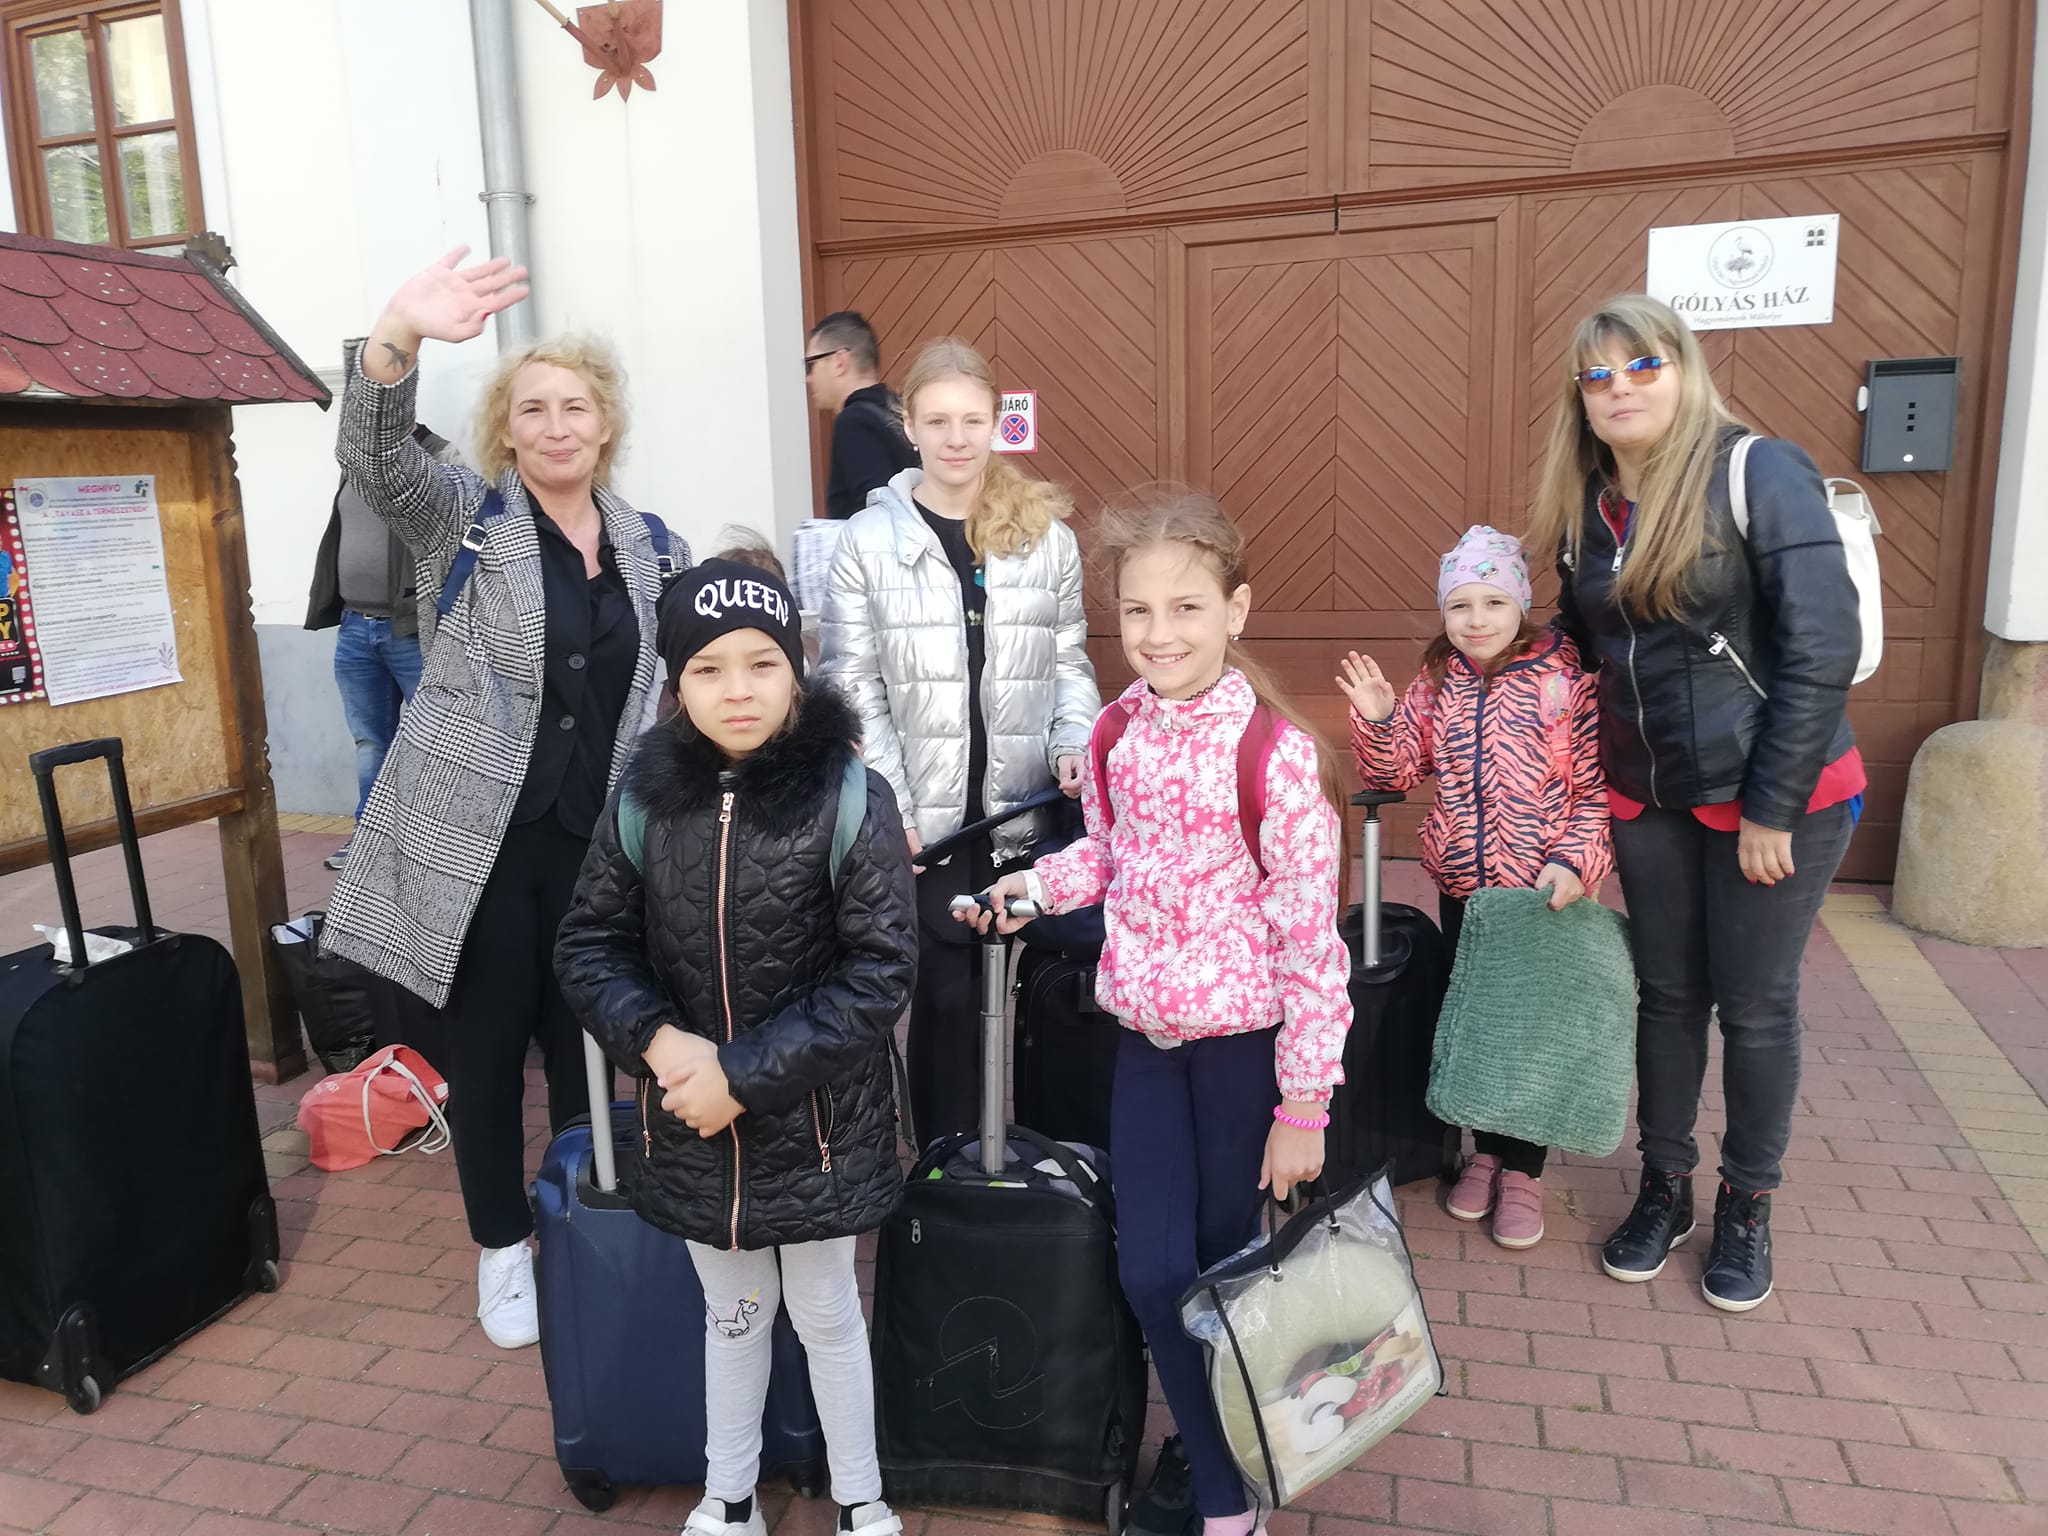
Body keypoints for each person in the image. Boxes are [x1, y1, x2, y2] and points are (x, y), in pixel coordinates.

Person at [321, 248, 687, 1350]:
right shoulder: (464, 522)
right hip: (474, 849)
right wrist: (398, 331)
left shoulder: (654, 548)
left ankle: (573, 1212)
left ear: (605, 425)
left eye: (575, 407)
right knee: (484, 1058)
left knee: (585, 1047)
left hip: (593, 850)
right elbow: (371, 455)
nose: (557, 425)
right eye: (533, 409)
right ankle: (498, 1246)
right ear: (507, 431)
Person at [966, 492, 1351, 1536]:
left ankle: (1213, 1470)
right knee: (1150, 1269)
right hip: (1144, 1043)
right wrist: (1031, 888)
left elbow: (1312, 946)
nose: (1158, 634)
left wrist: (1303, 1105)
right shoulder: (1113, 733)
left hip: (1242, 1059)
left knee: (1223, 1272)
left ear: (1236, 611)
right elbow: (1104, 853)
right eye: (1137, 610)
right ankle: (1223, 1479)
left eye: (1186, 608)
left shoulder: (1273, 755)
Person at [555, 560, 916, 1536]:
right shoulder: (644, 797)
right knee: (732, 1313)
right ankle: (729, 1497)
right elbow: (589, 944)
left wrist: (740, 1077)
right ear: (677, 684)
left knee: (827, 1309)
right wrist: (661, 1044)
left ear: (797, 668)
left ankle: (861, 1500)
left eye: (762, 663)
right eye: (708, 669)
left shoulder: (849, 794)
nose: (738, 690)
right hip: (690, 1121)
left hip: (816, 1125)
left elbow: (878, 973)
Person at [1528, 293, 1864, 1313]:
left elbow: (1822, 647)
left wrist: (1772, 805)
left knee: (1755, 1006)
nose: (1619, 388)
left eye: (1642, 366)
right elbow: (1584, 645)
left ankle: (1746, 1203)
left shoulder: (1757, 472)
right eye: (1598, 375)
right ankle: (1664, 1185)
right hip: (1649, 793)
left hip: (1773, 796)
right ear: (1580, 398)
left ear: (1683, 369)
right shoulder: (1586, 510)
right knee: (1668, 998)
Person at [818, 336, 1097, 1144]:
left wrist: (1072, 740)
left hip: (1023, 817)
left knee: (1030, 991)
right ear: (908, 425)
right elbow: (851, 687)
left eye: (972, 420)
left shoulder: (1044, 536)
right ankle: (945, 1167)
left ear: (997, 423)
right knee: (944, 1001)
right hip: (929, 831)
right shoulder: (866, 542)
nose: (955, 438)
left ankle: (1029, 1165)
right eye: (937, 421)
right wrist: (897, 811)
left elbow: (1068, 661)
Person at [1339, 525, 1613, 1250]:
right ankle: (1484, 1152)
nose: (1477, 619)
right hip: (1466, 888)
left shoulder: (1567, 680)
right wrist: (1379, 720)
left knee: (1530, 1030)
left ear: (1521, 603)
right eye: (1460, 605)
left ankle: (1523, 1168)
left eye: (1493, 602)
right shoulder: (1440, 682)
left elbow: (1595, 790)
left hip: (1542, 893)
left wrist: (1574, 862)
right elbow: (1395, 772)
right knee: (1475, 1022)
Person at [304, 417, 463, 870]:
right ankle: (370, 841)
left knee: (438, 738)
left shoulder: (439, 457)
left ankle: (441, 843)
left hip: (412, 629)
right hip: (355, 627)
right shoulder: (353, 464)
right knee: (370, 742)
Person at [806, 311, 918, 520]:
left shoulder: (854, 422)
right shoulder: (901, 411)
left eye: (811, 365)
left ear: (840, 361)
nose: (808, 378)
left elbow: (874, 510)